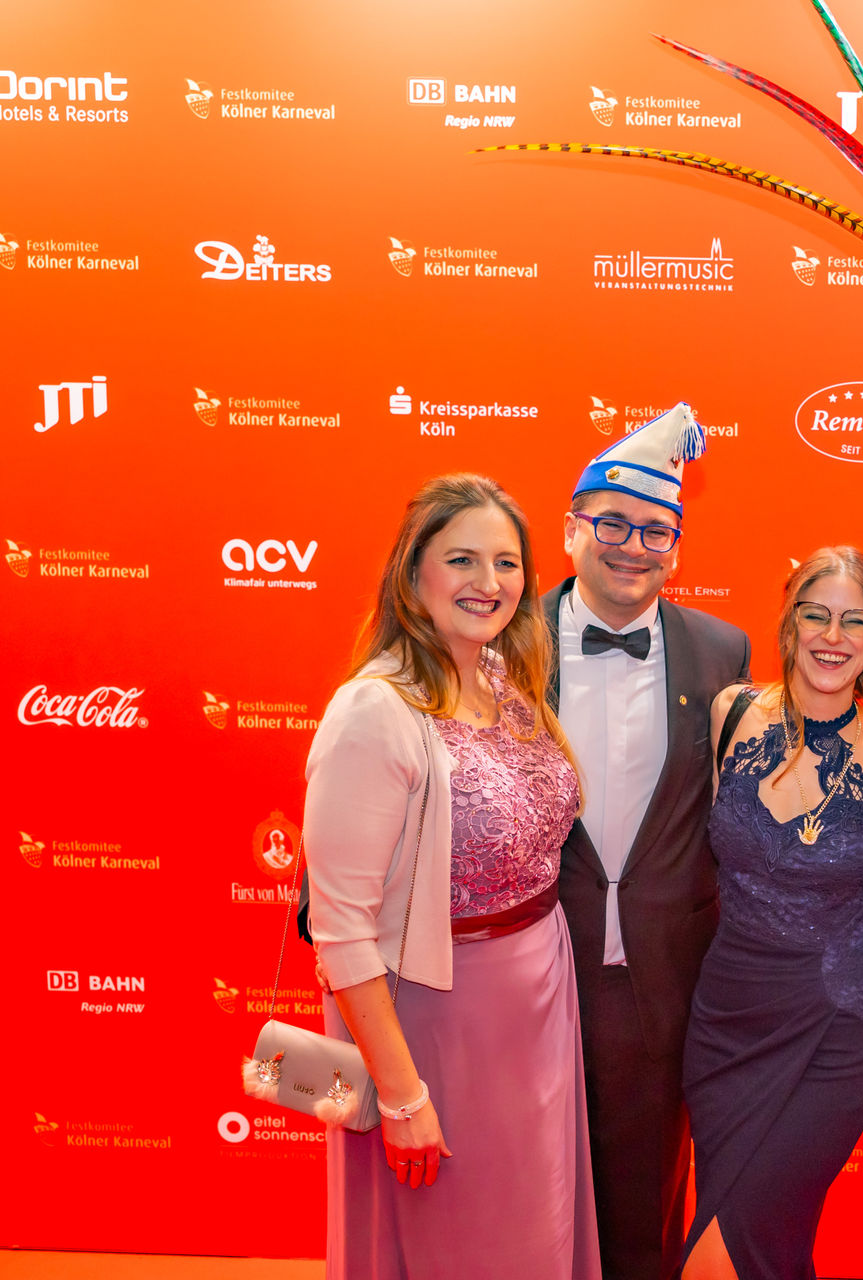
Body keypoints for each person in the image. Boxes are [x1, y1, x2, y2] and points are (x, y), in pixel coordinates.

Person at [306, 473, 598, 1279]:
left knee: (531, 1235)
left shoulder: (502, 678)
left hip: (536, 1005)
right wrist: (402, 1097)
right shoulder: (374, 711)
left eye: (506, 563)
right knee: (453, 1243)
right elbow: (341, 932)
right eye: (462, 559)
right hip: (434, 1021)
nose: (488, 582)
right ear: (414, 573)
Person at [541, 404, 752, 1280]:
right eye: (612, 524)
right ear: (571, 530)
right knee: (524, 1188)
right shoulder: (502, 642)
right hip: (527, 963)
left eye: (655, 530)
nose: (633, 546)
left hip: (667, 970)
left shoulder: (721, 651)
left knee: (645, 1201)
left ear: (677, 547)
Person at [681, 547, 863, 1280]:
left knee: (729, 1254)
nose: (833, 636)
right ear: (789, 624)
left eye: (856, 621)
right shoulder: (731, 714)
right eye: (816, 614)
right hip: (724, 1028)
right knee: (773, 1250)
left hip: (832, 1033)